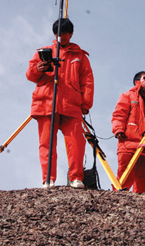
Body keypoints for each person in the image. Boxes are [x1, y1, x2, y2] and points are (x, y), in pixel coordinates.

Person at [26, 18, 94, 189]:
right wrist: (38, 69)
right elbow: (30, 74)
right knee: (46, 143)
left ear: (70, 34)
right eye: (57, 33)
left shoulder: (80, 56)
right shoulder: (44, 51)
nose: (60, 37)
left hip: (71, 105)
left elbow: (87, 80)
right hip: (46, 102)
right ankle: (48, 179)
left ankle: (76, 178)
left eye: (64, 33)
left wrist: (86, 103)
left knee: (76, 143)